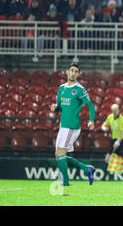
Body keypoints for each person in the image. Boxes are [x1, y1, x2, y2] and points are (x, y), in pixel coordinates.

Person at [49, 63, 96, 193]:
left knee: (62, 155)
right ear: (67, 72)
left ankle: (65, 185)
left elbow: (91, 106)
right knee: (59, 156)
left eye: (76, 71)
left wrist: (91, 121)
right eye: (72, 71)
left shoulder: (80, 89)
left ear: (78, 74)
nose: (74, 73)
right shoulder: (61, 88)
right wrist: (55, 107)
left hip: (72, 127)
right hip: (62, 126)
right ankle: (87, 170)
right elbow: (59, 107)